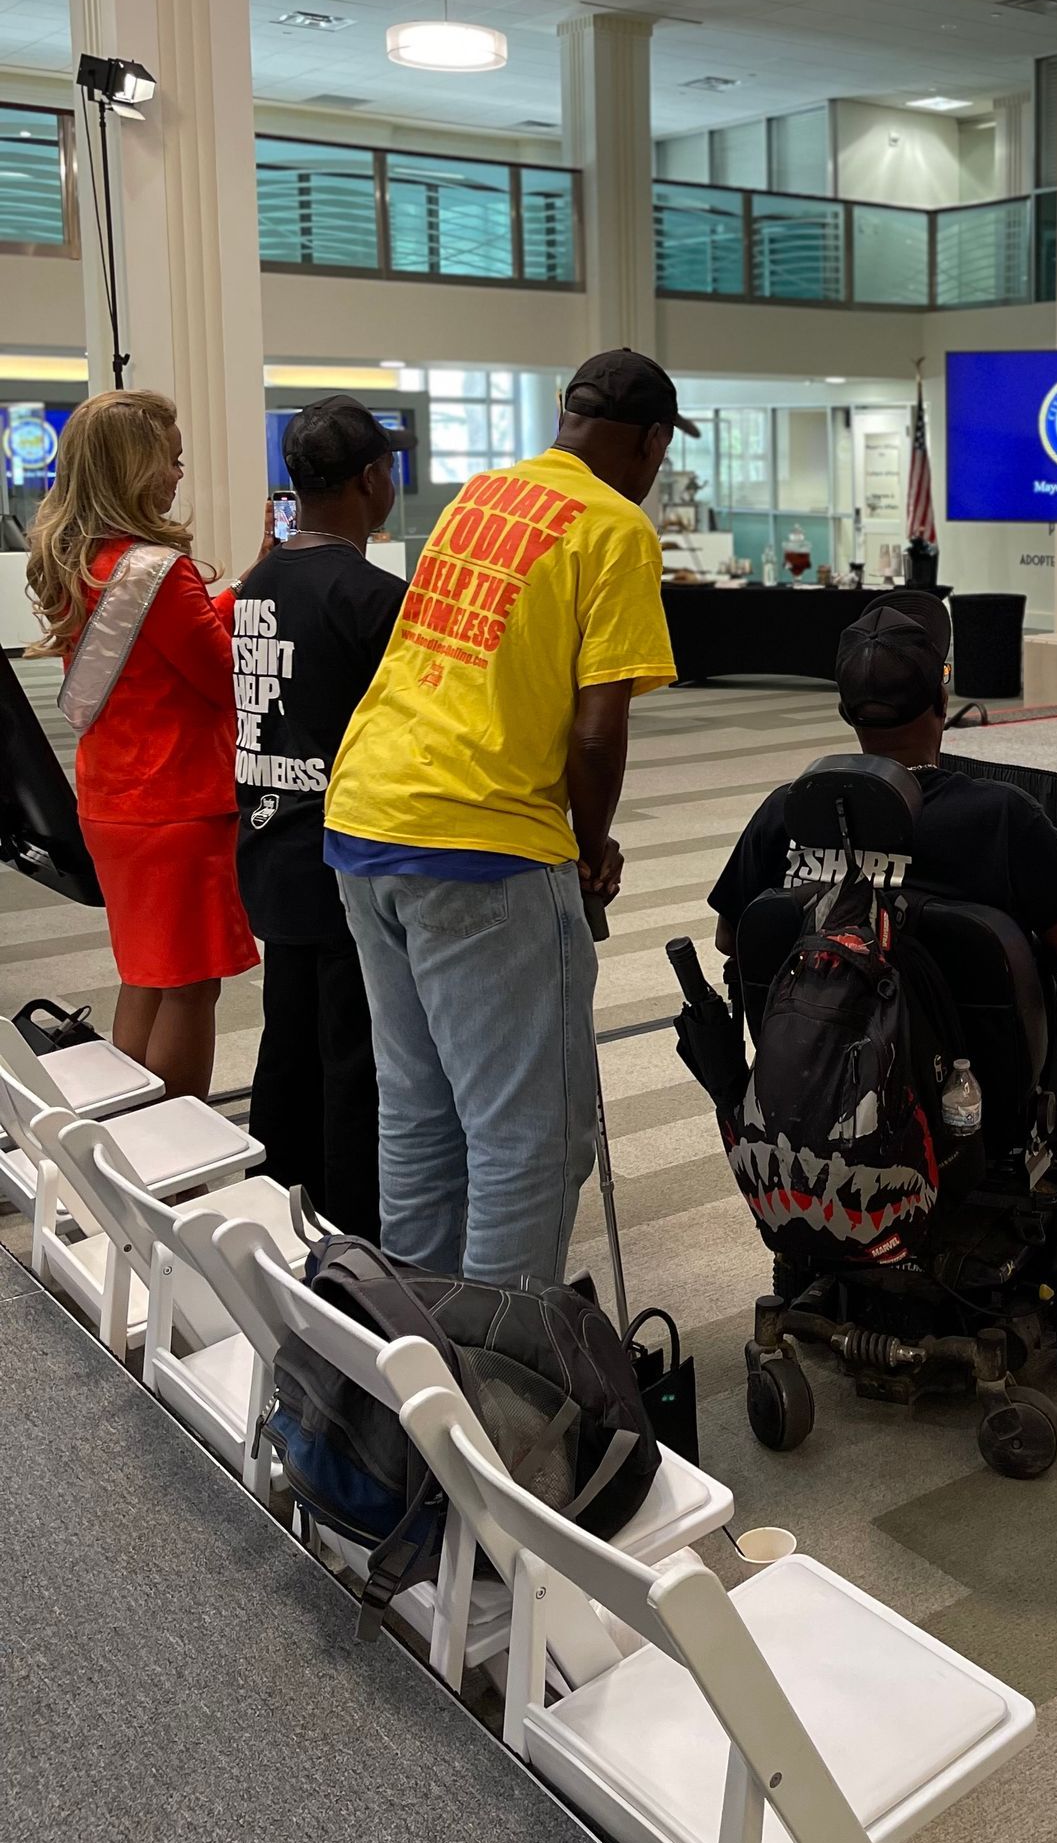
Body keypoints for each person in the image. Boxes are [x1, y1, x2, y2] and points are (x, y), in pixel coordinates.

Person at [325, 349, 686, 1287]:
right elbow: (600, 730)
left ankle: (415, 1353)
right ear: (650, 442)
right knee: (529, 1136)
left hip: (367, 817)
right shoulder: (614, 527)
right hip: (481, 842)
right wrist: (591, 845)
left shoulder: (481, 495)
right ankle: (499, 1379)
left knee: (418, 1109)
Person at [24, 389, 256, 1098]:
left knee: (147, 977)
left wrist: (237, 592)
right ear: (136, 468)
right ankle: (179, 1166)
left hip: (113, 801)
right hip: (178, 804)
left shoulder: (82, 560)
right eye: (172, 460)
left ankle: (132, 1149)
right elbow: (224, 679)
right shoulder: (157, 570)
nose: (179, 475)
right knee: (191, 989)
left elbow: (160, 646)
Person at [710, 592, 1057, 976]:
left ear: (845, 713)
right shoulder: (1001, 818)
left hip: (807, 1046)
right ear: (942, 703)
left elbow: (731, 938)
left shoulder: (785, 813)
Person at [232, 399, 411, 1239]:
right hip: (345, 855)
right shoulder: (375, 598)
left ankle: (276, 1200)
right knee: (354, 1058)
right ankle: (352, 1236)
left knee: (289, 1040)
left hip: (268, 844)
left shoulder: (258, 581)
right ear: (375, 479)